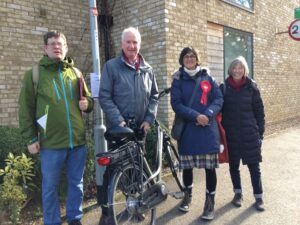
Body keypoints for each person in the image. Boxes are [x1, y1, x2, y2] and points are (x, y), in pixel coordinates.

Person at [19, 30, 94, 225]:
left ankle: (74, 218)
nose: (56, 46)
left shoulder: (76, 73)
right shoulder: (34, 74)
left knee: (76, 184)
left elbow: (88, 99)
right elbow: (25, 109)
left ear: (66, 47)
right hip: (50, 144)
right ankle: (52, 222)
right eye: (52, 43)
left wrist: (89, 104)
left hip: (77, 142)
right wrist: (31, 138)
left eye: (60, 43)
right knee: (50, 188)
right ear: (45, 48)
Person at [98, 27, 159, 225]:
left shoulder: (147, 68)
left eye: (135, 42)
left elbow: (154, 96)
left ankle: (136, 205)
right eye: (128, 42)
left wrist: (149, 119)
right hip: (120, 129)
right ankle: (107, 213)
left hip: (140, 128)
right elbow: (105, 96)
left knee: (137, 169)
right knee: (113, 170)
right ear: (122, 43)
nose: (132, 46)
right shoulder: (111, 66)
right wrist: (119, 121)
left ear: (139, 44)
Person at [170, 47, 223, 220]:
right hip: (188, 130)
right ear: (182, 59)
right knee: (187, 168)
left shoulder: (208, 76)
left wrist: (207, 114)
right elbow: (176, 104)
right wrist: (196, 116)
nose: (190, 59)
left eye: (193, 56)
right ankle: (188, 196)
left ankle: (209, 202)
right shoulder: (177, 79)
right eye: (186, 56)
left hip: (207, 130)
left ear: (197, 59)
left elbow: (218, 98)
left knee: (209, 169)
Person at [220, 56, 265, 211]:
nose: (237, 70)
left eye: (240, 68)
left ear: (245, 69)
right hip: (231, 135)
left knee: (254, 167)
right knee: (234, 167)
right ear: (230, 70)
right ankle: (238, 194)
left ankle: (259, 197)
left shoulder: (252, 87)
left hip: (250, 133)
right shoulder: (224, 87)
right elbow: (219, 110)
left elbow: (259, 111)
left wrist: (261, 133)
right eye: (234, 67)